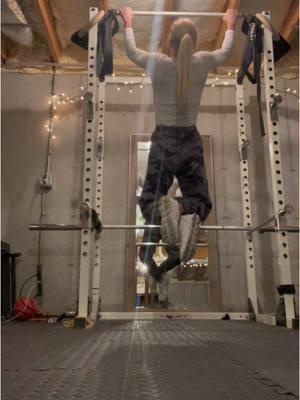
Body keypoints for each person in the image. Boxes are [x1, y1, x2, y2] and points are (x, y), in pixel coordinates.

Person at [120, 7, 238, 284]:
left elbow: (132, 52)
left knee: (151, 199)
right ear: (194, 43)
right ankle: (181, 210)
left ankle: (159, 237)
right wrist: (230, 25)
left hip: (164, 141)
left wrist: (128, 22)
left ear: (169, 43)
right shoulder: (203, 61)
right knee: (199, 201)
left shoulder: (158, 62)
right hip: (190, 141)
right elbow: (226, 52)